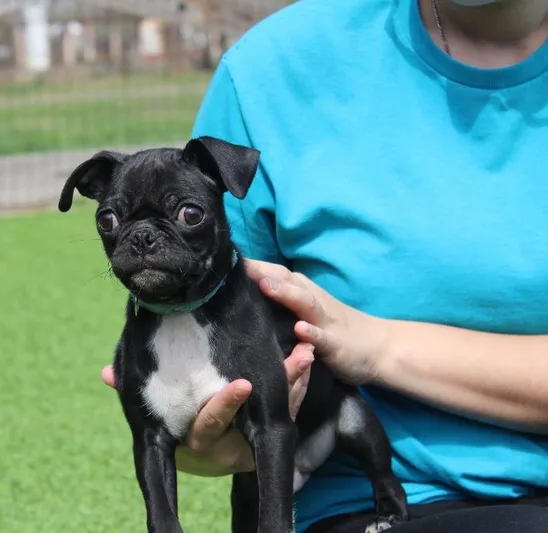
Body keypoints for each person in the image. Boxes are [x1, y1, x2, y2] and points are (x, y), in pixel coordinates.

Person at [101, 0, 548, 531]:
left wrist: (375, 346)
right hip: (370, 499)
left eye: (188, 214)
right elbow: (216, 367)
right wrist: (200, 429)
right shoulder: (272, 71)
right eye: (111, 221)